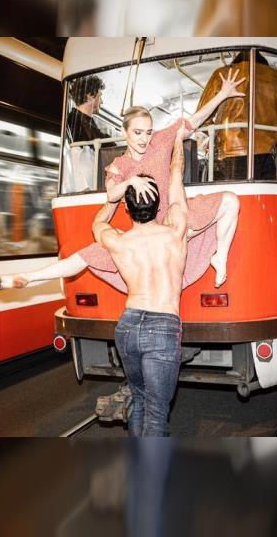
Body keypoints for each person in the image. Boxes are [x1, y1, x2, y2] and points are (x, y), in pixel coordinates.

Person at [0, 68, 245, 292]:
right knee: (84, 256)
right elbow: (111, 195)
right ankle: (28, 277)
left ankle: (220, 257)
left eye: (148, 132)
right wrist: (130, 182)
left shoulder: (160, 141)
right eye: (137, 132)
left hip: (175, 222)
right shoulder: (118, 165)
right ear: (124, 132)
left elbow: (192, 121)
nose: (144, 139)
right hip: (147, 234)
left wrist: (222, 95)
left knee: (230, 202)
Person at [90, 125, 192, 436]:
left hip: (127, 326)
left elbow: (98, 222)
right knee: (157, 413)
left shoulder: (119, 241)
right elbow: (176, 175)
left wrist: (116, 193)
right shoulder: (175, 230)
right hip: (162, 327)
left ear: (128, 208)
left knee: (139, 398)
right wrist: (177, 140)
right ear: (159, 205)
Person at [195, 50, 277, 181]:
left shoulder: (223, 74)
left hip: (231, 153)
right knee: (266, 193)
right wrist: (267, 131)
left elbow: (202, 118)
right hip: (267, 154)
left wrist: (218, 137)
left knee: (235, 193)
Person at [66, 74, 116, 146]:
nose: (101, 101)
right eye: (100, 96)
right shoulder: (74, 119)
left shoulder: (84, 120)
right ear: (89, 96)